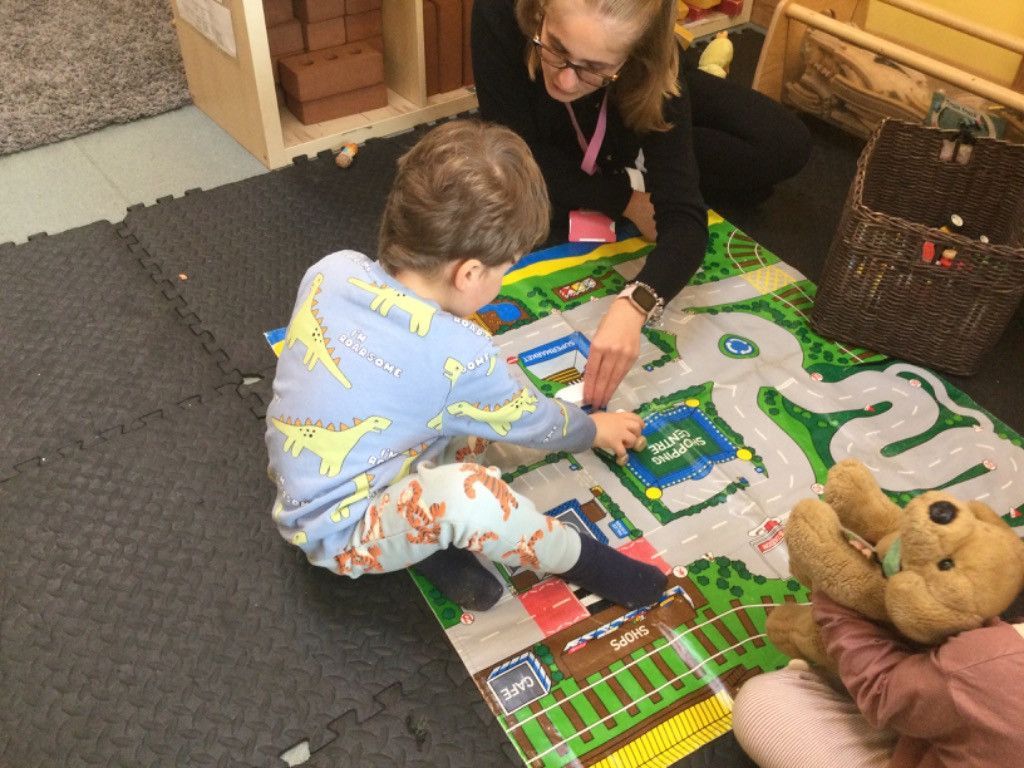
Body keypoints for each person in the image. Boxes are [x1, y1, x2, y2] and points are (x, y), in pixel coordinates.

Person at [265, 119, 667, 611]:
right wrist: (593, 429)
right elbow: (535, 423)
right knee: (471, 491)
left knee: (459, 416)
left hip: (312, 479)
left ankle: (428, 548)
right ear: (470, 273)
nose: (504, 279)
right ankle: (582, 560)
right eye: (506, 269)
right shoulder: (462, 354)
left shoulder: (332, 268)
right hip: (337, 532)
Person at [472, 0, 811, 409]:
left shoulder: (649, 60)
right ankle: (630, 158)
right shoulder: (498, 12)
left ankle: (640, 149)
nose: (564, 79)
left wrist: (636, 303)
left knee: (783, 142)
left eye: (593, 66)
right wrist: (626, 200)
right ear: (540, 13)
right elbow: (516, 154)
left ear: (634, 55)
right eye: (557, 48)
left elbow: (685, 219)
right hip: (542, 136)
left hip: (624, 103)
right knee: (514, 187)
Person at [731, 591, 1024, 767]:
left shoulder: (987, 664)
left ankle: (813, 676)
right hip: (959, 726)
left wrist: (832, 589)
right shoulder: (988, 663)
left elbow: (879, 687)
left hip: (922, 736)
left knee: (761, 701)